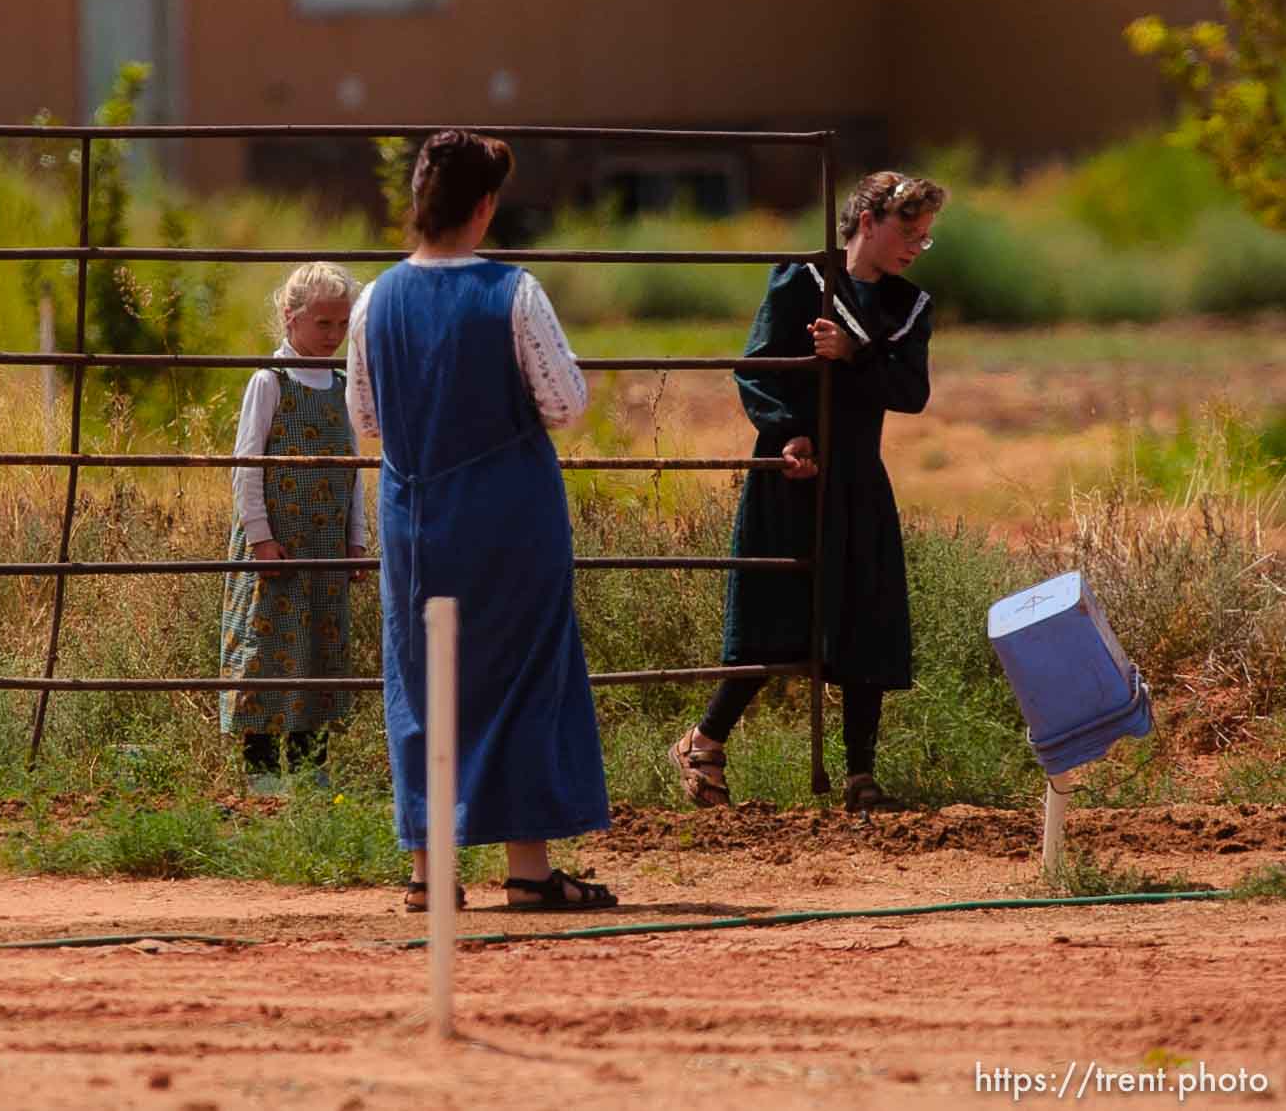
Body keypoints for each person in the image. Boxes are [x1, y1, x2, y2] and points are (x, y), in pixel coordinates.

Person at [347, 130, 617, 912]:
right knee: (524, 671)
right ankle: (529, 868)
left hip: (412, 512)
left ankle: (430, 875)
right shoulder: (514, 291)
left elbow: (365, 417)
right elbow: (564, 403)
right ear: (485, 205)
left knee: (421, 675)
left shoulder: (373, 300)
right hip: (509, 510)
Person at [669, 170, 945, 814]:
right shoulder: (801, 281)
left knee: (865, 611)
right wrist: (788, 435)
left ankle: (860, 774)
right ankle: (704, 742)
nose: (915, 245)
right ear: (868, 221)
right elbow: (757, 370)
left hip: (858, 477)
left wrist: (855, 354)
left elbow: (911, 392)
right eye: (908, 231)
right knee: (775, 609)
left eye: (926, 237)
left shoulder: (909, 307)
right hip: (793, 471)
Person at [218, 262, 366, 795]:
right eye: (323, 325)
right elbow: (247, 463)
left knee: (320, 648)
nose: (333, 336)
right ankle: (261, 771)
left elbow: (354, 467)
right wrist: (259, 534)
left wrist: (357, 539)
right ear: (291, 317)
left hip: (326, 541)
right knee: (266, 649)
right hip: (278, 540)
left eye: (341, 325)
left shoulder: (343, 385)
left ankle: (310, 767)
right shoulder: (269, 381)